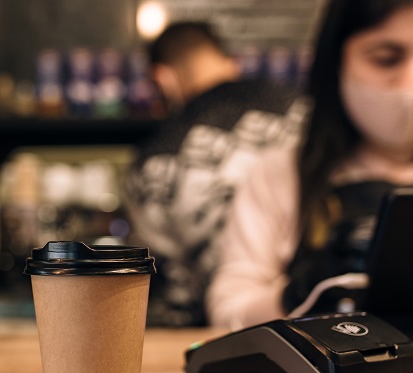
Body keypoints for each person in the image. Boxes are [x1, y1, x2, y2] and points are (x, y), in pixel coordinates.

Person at [207, 0, 413, 331]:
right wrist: (300, 290)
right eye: (386, 58)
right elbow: (228, 311)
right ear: (337, 59)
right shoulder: (282, 174)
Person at [124, 21, 306, 327]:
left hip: (237, 335)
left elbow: (177, 291)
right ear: (230, 64)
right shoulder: (301, 108)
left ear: (163, 78)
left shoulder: (151, 164)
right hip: (335, 316)